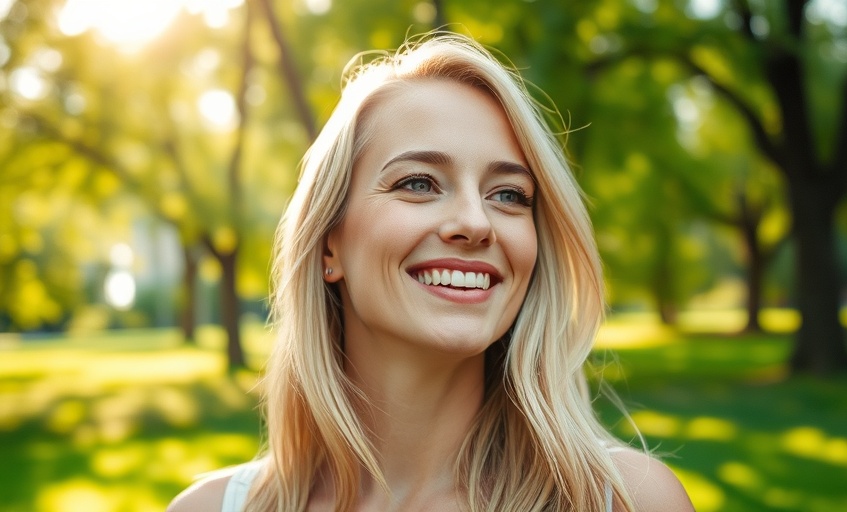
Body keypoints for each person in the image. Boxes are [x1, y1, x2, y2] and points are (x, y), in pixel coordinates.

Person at [168, 32, 694, 512]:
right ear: (330, 244)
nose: (474, 221)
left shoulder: (624, 500)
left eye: (508, 195)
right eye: (419, 183)